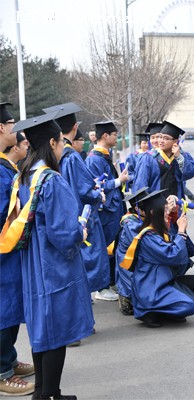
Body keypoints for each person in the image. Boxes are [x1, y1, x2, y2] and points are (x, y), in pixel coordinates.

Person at [3, 112, 94, 399]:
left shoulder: (24, 176)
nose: (62, 148)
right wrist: (80, 229)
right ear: (53, 143)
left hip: (32, 264)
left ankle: (43, 391)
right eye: (61, 143)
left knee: (42, 329)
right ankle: (49, 394)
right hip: (53, 266)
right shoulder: (51, 180)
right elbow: (63, 234)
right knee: (57, 329)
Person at [43, 103, 110, 300]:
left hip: (64, 213)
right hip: (82, 212)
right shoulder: (71, 155)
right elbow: (84, 189)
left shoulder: (53, 155)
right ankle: (94, 290)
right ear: (74, 127)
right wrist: (98, 195)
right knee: (90, 252)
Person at [120, 190, 194, 328]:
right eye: (165, 210)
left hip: (164, 280)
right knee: (190, 304)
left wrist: (176, 217)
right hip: (152, 288)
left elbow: (181, 252)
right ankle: (150, 312)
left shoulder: (158, 228)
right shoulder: (146, 236)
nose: (168, 212)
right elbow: (173, 255)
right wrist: (181, 231)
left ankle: (167, 311)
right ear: (153, 213)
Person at [0, 102, 35, 397]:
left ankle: (8, 359)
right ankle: (1, 372)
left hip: (10, 250)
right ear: (1, 128)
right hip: (2, 250)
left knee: (11, 309)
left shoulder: (6, 166)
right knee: (3, 310)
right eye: (12, 124)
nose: (16, 128)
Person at [85, 121, 129, 301]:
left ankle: (108, 282)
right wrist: (119, 181)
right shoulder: (94, 159)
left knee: (109, 247)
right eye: (115, 135)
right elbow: (96, 185)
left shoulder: (104, 156)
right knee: (102, 248)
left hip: (112, 210)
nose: (117, 138)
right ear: (105, 136)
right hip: (104, 212)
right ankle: (100, 288)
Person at [132, 120, 194, 200]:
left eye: (166, 138)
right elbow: (140, 187)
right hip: (155, 205)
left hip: (176, 203)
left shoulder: (181, 156)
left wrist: (178, 156)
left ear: (175, 141)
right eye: (160, 137)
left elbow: (190, 173)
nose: (161, 141)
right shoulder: (148, 158)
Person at [114, 187, 151, 316]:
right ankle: (125, 297)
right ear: (137, 208)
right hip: (128, 263)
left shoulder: (139, 218)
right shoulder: (130, 223)